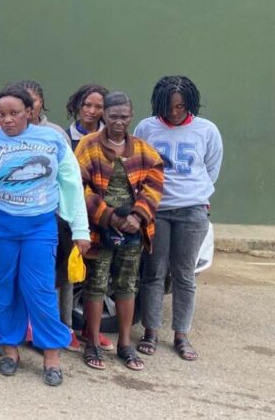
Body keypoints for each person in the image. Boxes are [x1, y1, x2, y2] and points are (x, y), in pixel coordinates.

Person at [0, 84, 91, 387]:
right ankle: (9, 350)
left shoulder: (53, 140)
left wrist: (81, 229)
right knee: (3, 288)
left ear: (30, 111)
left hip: (40, 227)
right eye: (1, 114)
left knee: (39, 289)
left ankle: (51, 355)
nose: (7, 119)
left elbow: (71, 186)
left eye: (14, 113)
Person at [134, 76, 222, 362]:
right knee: (154, 271)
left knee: (184, 274)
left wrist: (198, 196)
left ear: (190, 104)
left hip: (192, 210)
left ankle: (181, 334)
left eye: (181, 106)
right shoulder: (146, 127)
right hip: (156, 209)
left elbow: (211, 168)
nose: (174, 112)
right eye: (169, 106)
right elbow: (138, 164)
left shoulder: (207, 130)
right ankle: (150, 331)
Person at [75, 92, 164, 371]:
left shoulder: (143, 150)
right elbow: (78, 185)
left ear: (131, 116)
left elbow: (155, 184)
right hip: (99, 228)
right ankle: (91, 343)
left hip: (132, 230)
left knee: (127, 285)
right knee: (96, 283)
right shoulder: (89, 146)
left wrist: (138, 216)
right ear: (104, 115)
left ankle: (125, 344)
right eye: (113, 116)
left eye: (124, 117)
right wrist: (107, 216)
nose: (118, 122)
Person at [19, 78, 85, 352]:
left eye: (32, 101)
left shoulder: (56, 134)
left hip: (53, 217)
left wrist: (72, 219)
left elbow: (68, 178)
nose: (28, 107)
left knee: (54, 278)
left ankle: (58, 329)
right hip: (17, 217)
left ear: (41, 102)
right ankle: (27, 330)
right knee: (26, 277)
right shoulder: (6, 132)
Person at [65, 84, 109, 151]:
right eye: (87, 105)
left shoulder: (111, 137)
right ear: (78, 105)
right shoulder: (64, 138)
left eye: (98, 107)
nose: (92, 111)